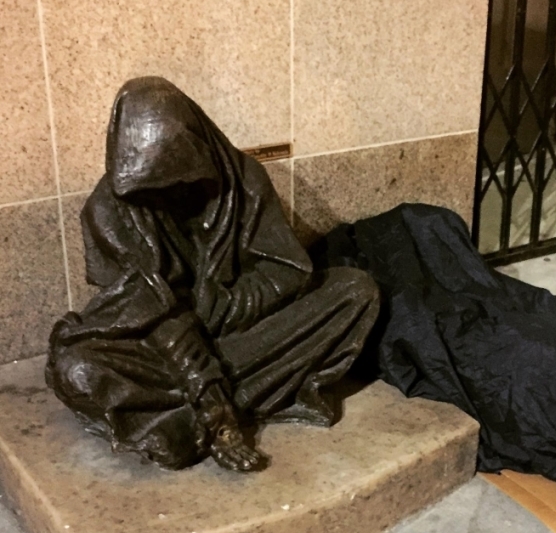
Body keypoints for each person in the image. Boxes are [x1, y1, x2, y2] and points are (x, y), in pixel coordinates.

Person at [46, 77, 380, 472]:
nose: (171, 195)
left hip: (240, 329)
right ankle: (214, 407)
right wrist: (213, 403)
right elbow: (152, 314)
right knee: (76, 366)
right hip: (163, 343)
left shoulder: (245, 180)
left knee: (355, 290)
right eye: (153, 188)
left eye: (182, 180)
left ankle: (181, 418)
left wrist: (225, 305)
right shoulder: (107, 209)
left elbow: (286, 270)